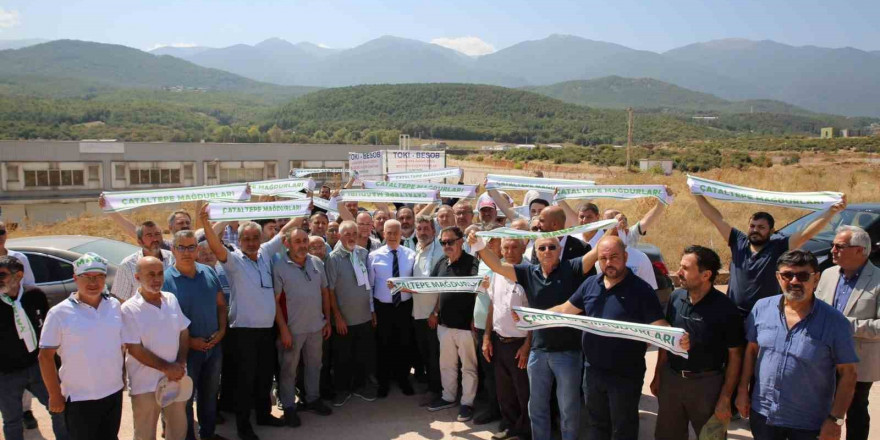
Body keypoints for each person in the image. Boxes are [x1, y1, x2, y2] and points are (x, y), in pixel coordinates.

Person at [469, 230, 598, 440]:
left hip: (567, 354)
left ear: (560, 250)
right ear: (535, 252)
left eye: (552, 247)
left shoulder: (572, 268)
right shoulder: (529, 272)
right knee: (536, 407)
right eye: (542, 247)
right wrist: (479, 245)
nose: (547, 251)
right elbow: (498, 266)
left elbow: (597, 251)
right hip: (538, 353)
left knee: (568, 409)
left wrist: (614, 228)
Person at [549, 236, 676, 440]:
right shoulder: (590, 284)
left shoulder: (641, 289)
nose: (608, 263)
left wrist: (675, 336)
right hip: (593, 371)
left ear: (625, 257)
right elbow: (565, 309)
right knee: (597, 424)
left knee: (623, 427)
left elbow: (657, 325)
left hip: (625, 373)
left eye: (614, 257)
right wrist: (533, 316)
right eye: (603, 258)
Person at [200, 208, 300, 440]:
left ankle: (264, 415)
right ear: (239, 240)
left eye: (255, 238)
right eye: (246, 238)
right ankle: (243, 426)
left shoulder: (265, 252)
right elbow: (214, 246)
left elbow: (286, 229)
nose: (252, 242)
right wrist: (206, 223)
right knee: (245, 381)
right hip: (243, 332)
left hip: (266, 330)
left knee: (264, 376)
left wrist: (304, 208)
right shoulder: (233, 260)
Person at [737, 249, 858, 439]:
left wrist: (835, 419)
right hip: (763, 414)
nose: (794, 281)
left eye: (802, 275)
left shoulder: (835, 322)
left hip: (808, 423)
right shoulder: (762, 308)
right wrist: (743, 390)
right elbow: (751, 351)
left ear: (816, 279)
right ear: (778, 277)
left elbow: (848, 374)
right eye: (787, 275)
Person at [694, 194, 845, 315]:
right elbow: (716, 218)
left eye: (761, 227)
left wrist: (831, 211)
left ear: (771, 231)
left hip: (765, 314)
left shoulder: (779, 246)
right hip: (734, 312)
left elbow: (806, 233)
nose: (755, 230)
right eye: (752, 226)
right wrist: (697, 193)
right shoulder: (738, 242)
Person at [651, 246, 744, 440]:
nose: (678, 273)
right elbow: (666, 341)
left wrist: (726, 397)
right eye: (680, 266)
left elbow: (735, 356)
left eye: (685, 268)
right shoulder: (675, 297)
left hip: (708, 386)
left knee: (712, 437)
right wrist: (658, 374)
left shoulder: (726, 309)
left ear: (706, 275)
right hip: (672, 381)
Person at [39, 253, 124, 440]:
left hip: (113, 392)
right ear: (76, 278)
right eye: (87, 277)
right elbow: (45, 356)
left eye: (99, 277)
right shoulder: (59, 313)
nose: (93, 282)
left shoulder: (114, 305)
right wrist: (54, 394)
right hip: (79, 398)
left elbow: (121, 346)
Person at [815, 225, 879, 440]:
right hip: (823, 356)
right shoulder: (828, 274)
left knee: (856, 408)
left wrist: (845, 325)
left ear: (860, 250)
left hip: (858, 360)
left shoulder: (878, 280)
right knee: (821, 405)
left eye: (839, 246)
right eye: (833, 245)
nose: (832, 250)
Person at [164, 231, 229, 440]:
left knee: (209, 396)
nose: (186, 252)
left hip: (213, 346)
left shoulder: (208, 272)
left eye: (191, 247)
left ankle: (208, 434)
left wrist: (221, 331)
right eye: (181, 247)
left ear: (197, 249)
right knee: (185, 398)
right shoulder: (165, 280)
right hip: (185, 351)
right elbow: (163, 322)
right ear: (173, 250)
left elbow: (221, 305)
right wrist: (191, 342)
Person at [122, 256, 191, 440]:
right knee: (145, 434)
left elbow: (184, 332)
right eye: (150, 274)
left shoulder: (171, 299)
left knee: (178, 431)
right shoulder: (129, 309)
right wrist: (168, 368)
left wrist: (181, 362)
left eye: (160, 273)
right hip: (145, 385)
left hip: (176, 380)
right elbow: (135, 349)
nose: (157, 279)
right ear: (137, 277)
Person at [0, 255, 68, 440]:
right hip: (7, 374)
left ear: (19, 275)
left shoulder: (35, 296)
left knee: (59, 410)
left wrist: (56, 366)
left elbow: (48, 332)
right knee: (12, 421)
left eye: (2, 275)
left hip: (38, 367)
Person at [273, 228, 333, 425]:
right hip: (293, 330)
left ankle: (313, 399)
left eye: (305, 240)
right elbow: (275, 301)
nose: (302, 244)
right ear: (288, 244)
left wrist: (328, 320)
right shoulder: (279, 266)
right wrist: (283, 329)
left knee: (315, 365)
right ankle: (289, 406)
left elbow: (325, 292)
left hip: (316, 327)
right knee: (288, 369)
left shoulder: (316, 262)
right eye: (297, 241)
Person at [424, 226, 480, 422]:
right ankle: (448, 397)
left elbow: (478, 290)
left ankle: (467, 403)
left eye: (450, 241)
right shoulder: (441, 262)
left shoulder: (472, 262)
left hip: (466, 326)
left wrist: (475, 317)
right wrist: (435, 311)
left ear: (461, 240)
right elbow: (435, 288)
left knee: (468, 367)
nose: (447, 245)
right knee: (446, 364)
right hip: (444, 324)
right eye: (443, 242)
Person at [481, 238, 531, 440]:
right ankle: (510, 426)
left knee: (524, 392)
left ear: (523, 248)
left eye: (514, 247)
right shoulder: (497, 273)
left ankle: (526, 431)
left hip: (520, 344)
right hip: (500, 341)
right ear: (500, 250)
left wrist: (528, 345)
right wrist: (486, 336)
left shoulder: (528, 274)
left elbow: (534, 314)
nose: (510, 252)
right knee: (505, 391)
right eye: (506, 248)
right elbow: (493, 306)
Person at [325, 221, 378, 407]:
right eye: (346, 233)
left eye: (354, 233)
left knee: (362, 355)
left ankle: (360, 387)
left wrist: (371, 311)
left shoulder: (363, 254)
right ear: (339, 236)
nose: (351, 237)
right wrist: (337, 317)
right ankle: (342, 390)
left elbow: (368, 286)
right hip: (343, 320)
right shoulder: (333, 259)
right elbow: (330, 291)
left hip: (363, 316)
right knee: (342, 358)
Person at [368, 219, 417, 397]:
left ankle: (403, 379)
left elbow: (415, 281)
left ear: (401, 234)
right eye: (389, 232)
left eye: (395, 232)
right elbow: (370, 286)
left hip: (404, 306)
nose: (392, 236)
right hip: (383, 308)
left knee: (404, 343)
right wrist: (372, 309)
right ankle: (384, 382)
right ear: (383, 233)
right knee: (384, 344)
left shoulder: (411, 254)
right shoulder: (374, 256)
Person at [0, 221, 39, 430]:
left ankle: (26, 410)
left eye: (1, 231)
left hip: (19, 315)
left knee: (25, 361)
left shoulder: (19, 258)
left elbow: (30, 285)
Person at [412, 215, 445, 405]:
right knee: (425, 353)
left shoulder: (440, 252)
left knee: (434, 356)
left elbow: (443, 285)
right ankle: (432, 386)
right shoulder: (416, 249)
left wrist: (435, 312)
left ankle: (437, 391)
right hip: (417, 313)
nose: (423, 232)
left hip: (432, 315)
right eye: (420, 229)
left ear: (434, 231)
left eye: (426, 228)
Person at [113, 220, 175, 301]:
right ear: (139, 241)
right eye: (149, 235)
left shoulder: (173, 259)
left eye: (157, 234)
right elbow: (121, 300)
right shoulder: (127, 265)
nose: (155, 239)